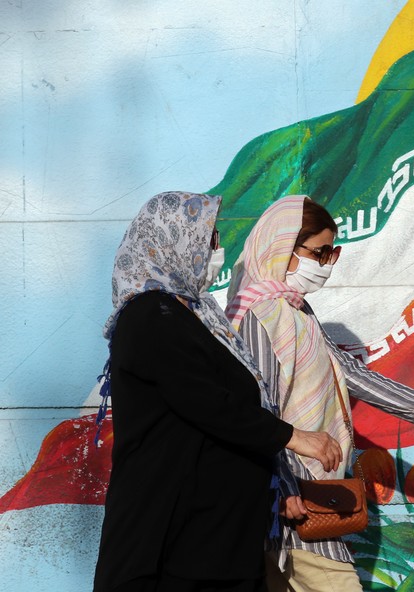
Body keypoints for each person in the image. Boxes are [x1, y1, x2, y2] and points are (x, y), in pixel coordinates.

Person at [93, 191, 343, 592]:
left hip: (221, 540)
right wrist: (295, 438)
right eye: (208, 237)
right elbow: (204, 401)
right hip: (174, 540)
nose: (217, 248)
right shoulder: (149, 316)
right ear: (171, 239)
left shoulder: (197, 315)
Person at [225, 195, 414, 592]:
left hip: (311, 489)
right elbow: (259, 412)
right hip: (293, 496)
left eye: (331, 253)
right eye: (319, 252)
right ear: (282, 247)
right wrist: (282, 487)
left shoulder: (295, 311)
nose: (326, 264)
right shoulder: (258, 316)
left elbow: (346, 368)